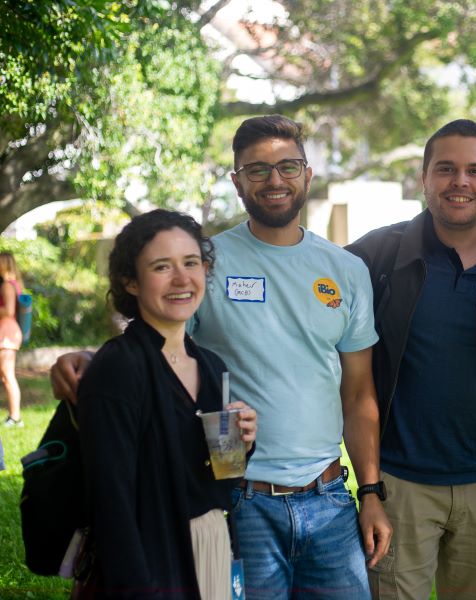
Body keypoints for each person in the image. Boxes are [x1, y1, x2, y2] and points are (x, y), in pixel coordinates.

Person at [51, 115, 391, 599]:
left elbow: (359, 393)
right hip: (238, 497)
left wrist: (371, 493)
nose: (274, 180)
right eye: (257, 169)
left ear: (307, 174)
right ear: (237, 182)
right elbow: (157, 336)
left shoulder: (347, 270)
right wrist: (89, 357)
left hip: (329, 499)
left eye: (288, 166)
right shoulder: (208, 262)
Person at [345, 119, 476, 599]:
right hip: (398, 485)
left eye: (475, 171)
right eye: (446, 169)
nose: (460, 182)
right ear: (424, 178)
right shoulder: (375, 256)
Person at [77, 209, 258, 598]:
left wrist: (242, 441)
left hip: (213, 546)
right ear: (131, 281)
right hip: (152, 561)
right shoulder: (117, 369)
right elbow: (111, 504)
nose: (181, 279)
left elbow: (222, 476)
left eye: (191, 263)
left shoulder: (211, 367)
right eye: (162, 267)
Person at [0, 252, 24, 427]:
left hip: (7, 332)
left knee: (8, 375)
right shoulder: (14, 284)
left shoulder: (7, 285)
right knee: (6, 375)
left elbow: (8, 310)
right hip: (9, 330)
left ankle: (15, 417)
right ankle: (14, 416)